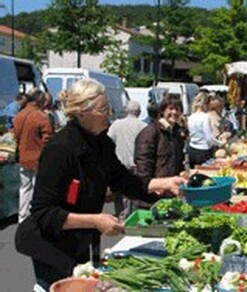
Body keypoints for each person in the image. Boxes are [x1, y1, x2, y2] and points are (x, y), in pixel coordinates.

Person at [14, 78, 187, 291]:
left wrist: (163, 183)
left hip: (78, 240)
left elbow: (124, 180)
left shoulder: (102, 143)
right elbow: (44, 213)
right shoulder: (60, 148)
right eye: (103, 108)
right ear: (82, 112)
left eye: (109, 107)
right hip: (50, 244)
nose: (110, 113)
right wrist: (95, 220)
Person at [134, 93, 187, 206]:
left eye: (177, 109)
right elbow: (143, 165)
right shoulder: (150, 132)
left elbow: (178, 163)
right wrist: (153, 186)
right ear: (162, 111)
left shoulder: (177, 134)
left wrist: (182, 173)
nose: (174, 112)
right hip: (151, 198)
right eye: (171, 109)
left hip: (170, 194)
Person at [13, 89, 54, 223]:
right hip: (38, 159)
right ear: (39, 100)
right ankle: (36, 217)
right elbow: (48, 138)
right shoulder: (41, 116)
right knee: (38, 189)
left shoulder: (19, 115)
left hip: (24, 158)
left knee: (24, 189)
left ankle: (23, 218)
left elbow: (16, 136)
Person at [107, 100, 147, 218]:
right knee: (134, 191)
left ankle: (120, 214)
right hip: (136, 164)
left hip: (120, 163)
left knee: (119, 192)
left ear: (125, 111)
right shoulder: (143, 126)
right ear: (139, 112)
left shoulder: (116, 124)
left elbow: (109, 141)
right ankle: (132, 215)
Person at [187, 92, 225, 168]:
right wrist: (220, 143)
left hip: (192, 149)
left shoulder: (191, 117)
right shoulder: (206, 117)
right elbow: (209, 138)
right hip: (203, 150)